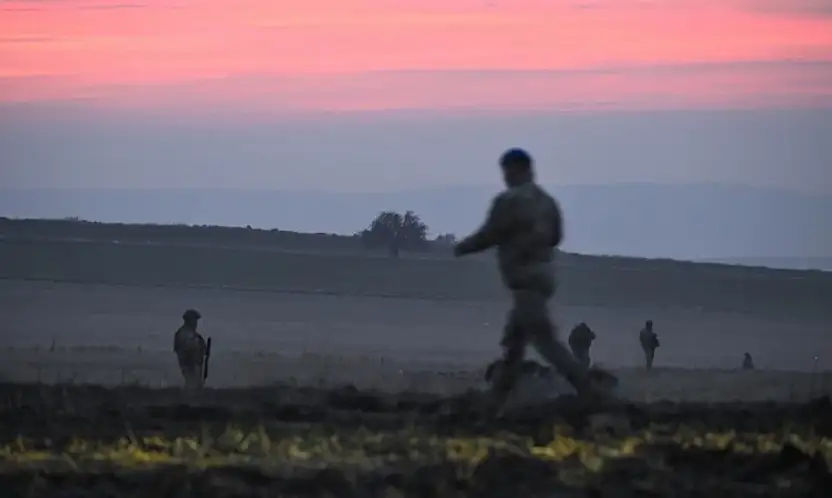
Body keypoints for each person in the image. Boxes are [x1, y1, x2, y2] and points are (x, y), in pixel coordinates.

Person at [453, 148, 611, 414]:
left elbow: (490, 234)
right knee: (513, 348)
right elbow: (556, 237)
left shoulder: (510, 200)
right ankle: (495, 401)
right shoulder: (547, 202)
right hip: (543, 278)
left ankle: (589, 391)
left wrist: (463, 247)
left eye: (506, 171)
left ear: (515, 169)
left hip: (525, 281)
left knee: (545, 342)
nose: (505, 177)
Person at [174, 309, 207, 390]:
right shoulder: (182, 334)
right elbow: (182, 350)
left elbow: (203, 348)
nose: (195, 323)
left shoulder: (195, 335)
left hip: (196, 364)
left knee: (196, 384)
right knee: (191, 383)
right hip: (188, 364)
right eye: (194, 320)